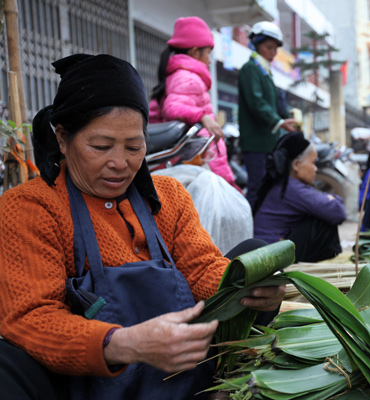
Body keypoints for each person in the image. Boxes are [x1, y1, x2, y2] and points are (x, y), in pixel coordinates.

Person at [0, 54, 285, 400]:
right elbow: (33, 317)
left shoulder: (168, 196)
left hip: (182, 370)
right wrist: (122, 343)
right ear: (62, 139)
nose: (120, 163)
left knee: (252, 258)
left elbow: (202, 267)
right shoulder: (32, 207)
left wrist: (247, 289)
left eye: (134, 147)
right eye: (101, 147)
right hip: (84, 382)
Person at [149, 16, 240, 191]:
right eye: (208, 53)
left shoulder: (179, 74)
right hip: (202, 156)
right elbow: (173, 107)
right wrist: (203, 116)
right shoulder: (187, 76)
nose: (210, 60)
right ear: (194, 52)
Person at [253, 133, 346, 262]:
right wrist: (331, 198)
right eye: (313, 163)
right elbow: (338, 212)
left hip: (267, 250)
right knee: (322, 222)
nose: (315, 169)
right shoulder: (293, 189)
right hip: (270, 257)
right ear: (296, 165)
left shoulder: (286, 185)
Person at [238, 21, 298, 208]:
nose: (272, 52)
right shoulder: (251, 69)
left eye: (275, 48)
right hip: (256, 141)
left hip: (267, 141)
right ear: (256, 45)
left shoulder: (264, 69)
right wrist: (279, 122)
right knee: (257, 187)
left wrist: (285, 114)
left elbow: (271, 102)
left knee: (267, 187)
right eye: (268, 47)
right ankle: (248, 231)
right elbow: (256, 103)